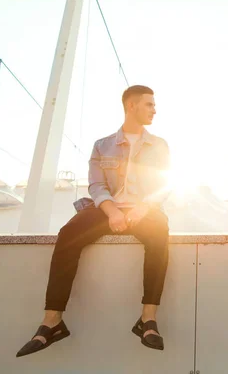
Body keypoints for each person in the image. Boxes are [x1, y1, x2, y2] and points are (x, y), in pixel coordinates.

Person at [17, 85, 171, 357]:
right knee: (68, 234)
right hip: (107, 208)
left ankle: (148, 319)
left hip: (143, 210)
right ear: (131, 106)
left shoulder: (159, 145)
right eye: (149, 104)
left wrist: (142, 209)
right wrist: (113, 212)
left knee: (160, 232)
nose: (155, 110)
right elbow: (97, 186)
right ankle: (51, 321)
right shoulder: (103, 145)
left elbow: (163, 185)